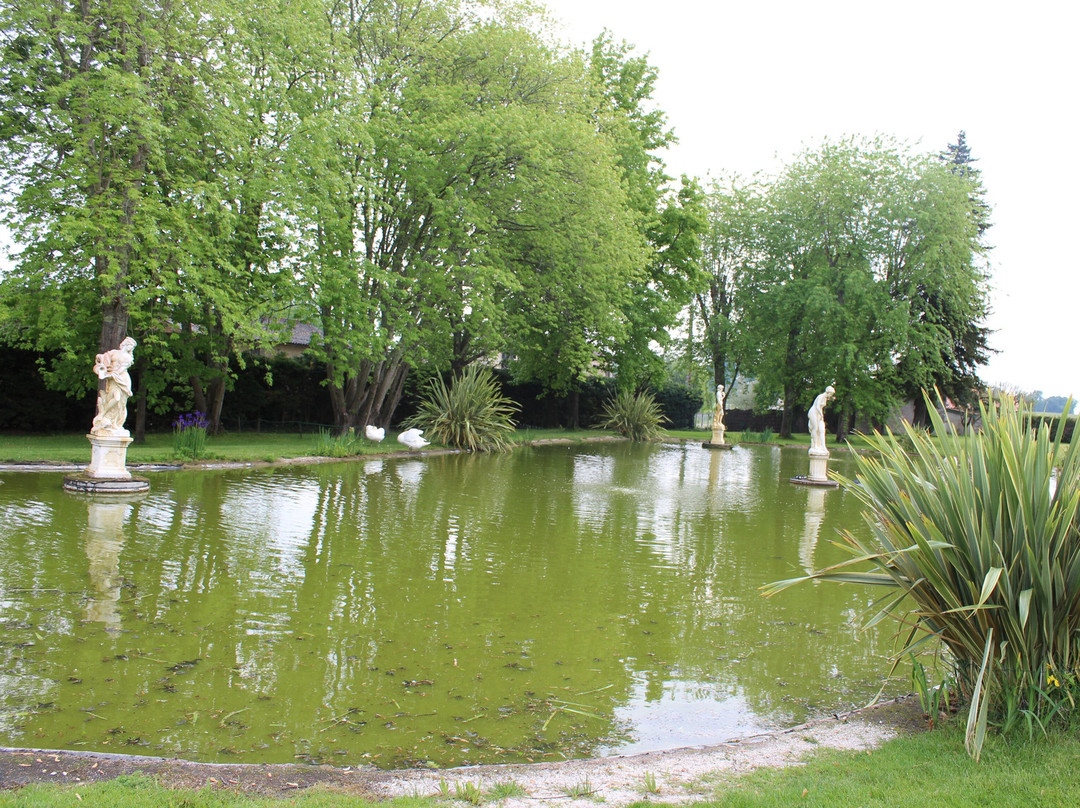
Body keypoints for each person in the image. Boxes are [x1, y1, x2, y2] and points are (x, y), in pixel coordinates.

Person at [90, 337, 137, 437]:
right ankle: (104, 416)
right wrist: (100, 359)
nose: (131, 347)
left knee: (120, 401)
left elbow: (121, 370)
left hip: (122, 379)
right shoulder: (113, 352)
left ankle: (115, 423)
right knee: (112, 398)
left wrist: (111, 374)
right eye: (130, 345)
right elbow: (103, 359)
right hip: (113, 379)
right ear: (125, 344)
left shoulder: (129, 358)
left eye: (132, 346)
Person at [808, 385, 835, 453]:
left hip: (818, 414)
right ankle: (815, 445)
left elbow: (820, 408)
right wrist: (821, 415)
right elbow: (817, 406)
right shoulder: (821, 396)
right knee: (815, 428)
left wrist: (820, 415)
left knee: (821, 430)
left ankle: (822, 446)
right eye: (831, 394)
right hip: (813, 412)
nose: (831, 395)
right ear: (828, 392)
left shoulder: (825, 398)